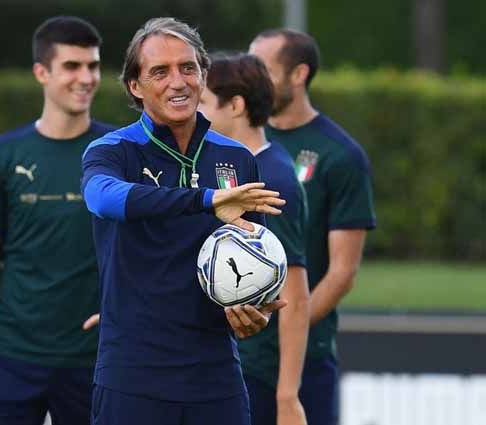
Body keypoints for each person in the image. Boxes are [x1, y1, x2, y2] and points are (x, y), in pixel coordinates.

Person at [81, 17, 287, 425]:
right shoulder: (112, 151)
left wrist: (259, 308)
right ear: (135, 87)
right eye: (160, 71)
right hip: (133, 375)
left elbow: (259, 254)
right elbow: (104, 199)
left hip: (215, 377)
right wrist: (207, 199)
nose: (178, 81)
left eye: (188, 68)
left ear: (203, 75)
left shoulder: (236, 158)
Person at [0, 16, 114, 425]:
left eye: (93, 66)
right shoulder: (1, 155)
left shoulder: (120, 153)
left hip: (98, 357)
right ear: (41, 72)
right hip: (14, 356)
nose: (86, 78)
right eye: (72, 66)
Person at [249, 29, 377, 425]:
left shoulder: (341, 155)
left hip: (307, 359)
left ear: (298, 74)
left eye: (263, 71)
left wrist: (286, 326)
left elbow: (342, 272)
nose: (252, 82)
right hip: (237, 353)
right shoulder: (237, 142)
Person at [198, 52, 311, 425]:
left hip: (256, 372)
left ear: (235, 105)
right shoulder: (223, 163)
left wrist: (287, 397)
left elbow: (294, 291)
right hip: (219, 360)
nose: (194, 113)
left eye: (202, 102)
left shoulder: (273, 177)